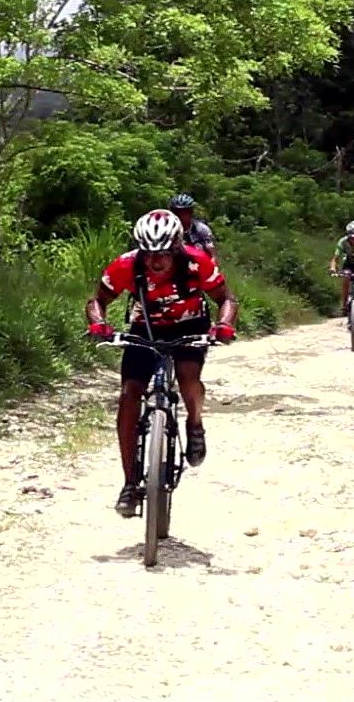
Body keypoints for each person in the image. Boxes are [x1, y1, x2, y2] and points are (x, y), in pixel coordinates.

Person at [85, 209, 239, 518]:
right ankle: (130, 484)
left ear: (178, 248)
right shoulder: (126, 265)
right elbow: (97, 300)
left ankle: (194, 424)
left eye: (165, 254)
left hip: (190, 326)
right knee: (129, 394)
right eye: (150, 253)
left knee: (187, 375)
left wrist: (224, 325)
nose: (157, 261)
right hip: (145, 328)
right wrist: (99, 324)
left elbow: (226, 298)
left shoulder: (198, 263)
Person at [169, 193, 218, 259]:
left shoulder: (202, 230)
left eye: (184, 213)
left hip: (199, 265)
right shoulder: (167, 231)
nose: (180, 216)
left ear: (191, 213)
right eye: (177, 213)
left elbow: (212, 256)